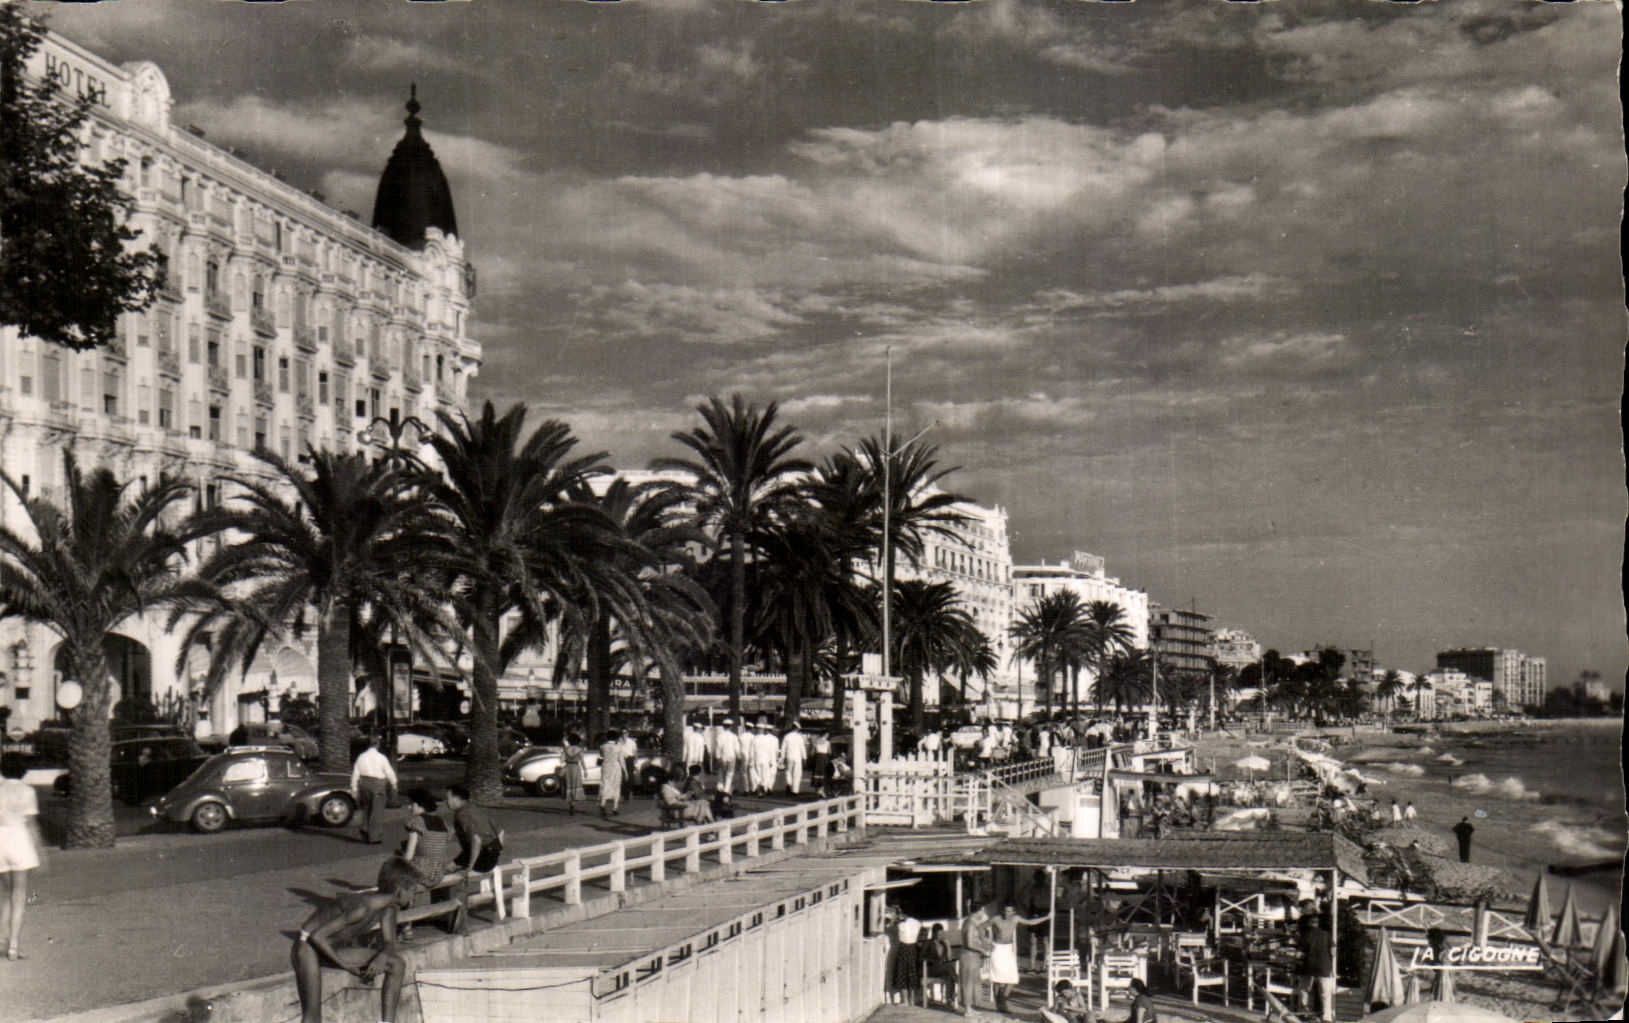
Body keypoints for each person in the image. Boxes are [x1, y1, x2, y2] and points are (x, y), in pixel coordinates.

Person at [292, 857, 419, 1023]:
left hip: (332, 946)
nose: (414, 896)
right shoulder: (362, 908)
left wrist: (382, 955)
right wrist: (347, 967)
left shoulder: (389, 908)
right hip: (307, 947)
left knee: (396, 964)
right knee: (313, 1017)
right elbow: (317, 936)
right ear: (400, 891)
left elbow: (389, 942)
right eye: (413, 891)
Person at [0, 754, 44, 961]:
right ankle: (14, 946)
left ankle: (2, 940)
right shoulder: (27, 792)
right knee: (19, 894)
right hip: (19, 841)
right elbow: (32, 825)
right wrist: (40, 851)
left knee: (5, 894)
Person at [988, 902, 1051, 1012]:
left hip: (1008, 948)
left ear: (1014, 912)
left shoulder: (1016, 919)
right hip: (997, 948)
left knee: (1013, 978)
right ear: (1002, 911)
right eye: (1006, 911)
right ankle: (1000, 1005)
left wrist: (1047, 917)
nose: (1008, 913)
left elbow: (1031, 922)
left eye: (1010, 911)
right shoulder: (996, 919)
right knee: (997, 978)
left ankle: (1003, 999)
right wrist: (987, 942)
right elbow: (982, 928)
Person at [397, 788, 453, 910]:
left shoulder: (417, 822)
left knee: (398, 875)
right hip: (438, 871)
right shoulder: (443, 823)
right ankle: (422, 908)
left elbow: (409, 855)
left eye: (412, 804)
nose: (409, 807)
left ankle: (407, 921)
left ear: (420, 805)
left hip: (422, 870)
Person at [350, 736, 398, 845]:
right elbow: (389, 772)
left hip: (364, 784)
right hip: (378, 785)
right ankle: (374, 837)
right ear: (378, 745)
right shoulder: (381, 758)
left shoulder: (361, 757)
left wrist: (354, 787)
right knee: (377, 811)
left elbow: (355, 773)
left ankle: (365, 827)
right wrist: (394, 784)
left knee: (367, 808)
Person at [445, 784, 504, 872]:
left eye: (447, 798)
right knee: (450, 867)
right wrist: (496, 850)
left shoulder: (462, 815)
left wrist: (471, 866)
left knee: (447, 870)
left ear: (456, 798)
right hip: (491, 857)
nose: (446, 801)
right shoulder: (475, 809)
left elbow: (477, 840)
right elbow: (501, 831)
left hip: (482, 860)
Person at [1294, 911, 1336, 1023]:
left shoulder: (1304, 936)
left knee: (1305, 990)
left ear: (1308, 923)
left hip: (1309, 967)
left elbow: (1298, 954)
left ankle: (1305, 1013)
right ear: (1318, 923)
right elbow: (1333, 953)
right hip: (1324, 967)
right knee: (1325, 994)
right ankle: (1327, 1017)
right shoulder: (1327, 935)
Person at [958, 904, 993, 1017]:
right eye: (983, 910)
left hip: (973, 955)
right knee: (968, 982)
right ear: (980, 910)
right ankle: (967, 1010)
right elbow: (969, 943)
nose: (984, 913)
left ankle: (970, 1008)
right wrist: (983, 950)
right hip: (968, 955)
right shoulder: (970, 923)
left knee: (973, 982)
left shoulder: (972, 922)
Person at [598, 731, 626, 817]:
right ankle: (615, 807)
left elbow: (601, 755)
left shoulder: (602, 746)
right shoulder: (618, 747)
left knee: (605, 784)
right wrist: (625, 771)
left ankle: (602, 804)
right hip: (615, 766)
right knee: (616, 786)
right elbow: (621, 760)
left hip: (606, 766)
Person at [560, 732, 587, 814]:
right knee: (576, 785)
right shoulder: (580, 750)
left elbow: (561, 760)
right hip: (576, 767)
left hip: (568, 767)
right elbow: (582, 761)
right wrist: (585, 770)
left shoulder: (566, 749)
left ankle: (570, 803)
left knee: (569, 785)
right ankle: (573, 803)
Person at [714, 719, 740, 795]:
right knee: (730, 774)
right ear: (731, 726)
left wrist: (718, 757)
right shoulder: (734, 736)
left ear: (723, 726)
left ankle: (720, 788)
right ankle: (726, 790)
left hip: (723, 757)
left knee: (721, 773)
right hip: (732, 757)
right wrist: (739, 758)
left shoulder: (720, 736)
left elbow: (718, 747)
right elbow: (737, 748)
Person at [781, 720, 807, 796]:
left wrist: (783, 757)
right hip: (797, 757)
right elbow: (802, 748)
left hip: (789, 756)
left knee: (788, 771)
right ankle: (795, 791)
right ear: (797, 728)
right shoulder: (800, 737)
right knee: (797, 773)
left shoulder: (787, 736)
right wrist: (804, 758)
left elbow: (783, 748)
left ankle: (789, 783)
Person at [810, 732, 832, 797]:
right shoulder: (827, 742)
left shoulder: (816, 742)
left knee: (817, 772)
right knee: (824, 773)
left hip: (817, 758)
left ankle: (817, 789)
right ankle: (821, 790)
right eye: (828, 734)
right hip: (824, 758)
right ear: (825, 734)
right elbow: (830, 752)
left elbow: (812, 753)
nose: (828, 735)